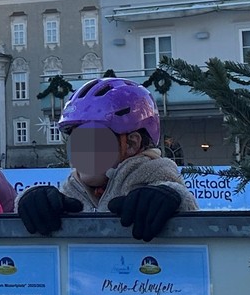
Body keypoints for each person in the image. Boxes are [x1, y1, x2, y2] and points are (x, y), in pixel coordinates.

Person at [17, 77, 197, 242]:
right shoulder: (68, 197)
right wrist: (27, 202)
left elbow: (194, 221)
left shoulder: (156, 190)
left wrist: (176, 202)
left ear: (132, 143)